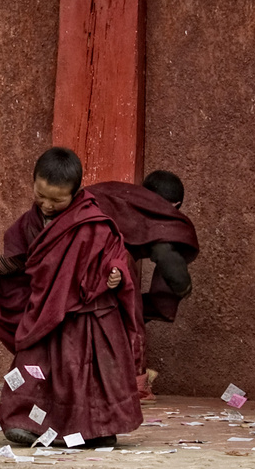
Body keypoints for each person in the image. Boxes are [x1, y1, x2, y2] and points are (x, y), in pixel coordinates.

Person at [0, 148, 143, 447]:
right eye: (40, 196)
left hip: (88, 316)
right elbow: (19, 259)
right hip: (46, 313)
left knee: (85, 376)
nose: (47, 205)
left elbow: (115, 255)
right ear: (34, 183)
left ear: (75, 194)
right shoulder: (30, 222)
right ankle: (23, 423)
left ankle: (95, 432)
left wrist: (115, 274)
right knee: (31, 368)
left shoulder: (93, 222)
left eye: (56, 200)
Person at [83, 171, 199, 400]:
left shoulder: (117, 193)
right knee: (131, 320)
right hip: (113, 259)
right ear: (173, 206)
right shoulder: (156, 211)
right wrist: (183, 287)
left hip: (73, 253)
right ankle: (136, 387)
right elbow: (165, 254)